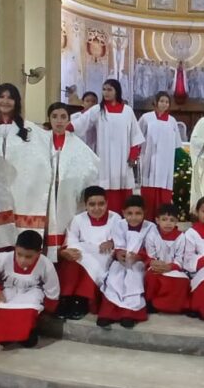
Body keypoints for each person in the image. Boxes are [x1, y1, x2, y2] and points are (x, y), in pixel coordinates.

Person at [0, 83, 51, 254]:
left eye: (10, 97)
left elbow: (42, 162)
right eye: (1, 96)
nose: (5, 101)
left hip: (24, 196)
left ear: (17, 102)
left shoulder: (32, 131)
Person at [71, 79, 143, 213]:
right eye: (104, 89)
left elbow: (135, 135)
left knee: (123, 191)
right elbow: (82, 122)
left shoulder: (127, 111)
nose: (106, 92)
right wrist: (67, 126)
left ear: (117, 91)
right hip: (105, 158)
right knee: (105, 188)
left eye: (109, 89)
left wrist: (133, 156)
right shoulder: (98, 109)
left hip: (123, 159)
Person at [0, 230, 59, 349]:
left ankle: (27, 334)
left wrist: (48, 309)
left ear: (39, 253)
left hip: (32, 291)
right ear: (15, 248)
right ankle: (4, 335)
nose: (23, 260)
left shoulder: (45, 263)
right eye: (19, 254)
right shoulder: (3, 258)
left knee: (29, 307)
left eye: (28, 256)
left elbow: (52, 287)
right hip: (8, 289)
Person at [44, 103, 100, 261]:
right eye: (54, 117)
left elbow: (91, 168)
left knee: (66, 226)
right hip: (45, 197)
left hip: (68, 197)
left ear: (69, 119)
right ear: (49, 119)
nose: (59, 121)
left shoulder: (79, 146)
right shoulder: (40, 141)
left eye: (63, 117)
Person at [56, 185, 120, 320]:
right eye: (92, 204)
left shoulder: (115, 218)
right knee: (72, 260)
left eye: (101, 204)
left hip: (103, 254)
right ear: (85, 205)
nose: (97, 208)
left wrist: (112, 242)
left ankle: (81, 300)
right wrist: (69, 251)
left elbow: (122, 239)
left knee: (93, 264)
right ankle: (65, 299)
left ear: (107, 203)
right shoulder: (78, 219)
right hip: (83, 250)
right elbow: (71, 239)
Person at [99, 195, 153, 328]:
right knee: (114, 279)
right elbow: (118, 245)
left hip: (139, 262)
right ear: (123, 213)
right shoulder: (119, 225)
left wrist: (139, 257)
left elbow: (151, 249)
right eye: (129, 213)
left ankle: (129, 314)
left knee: (133, 280)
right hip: (121, 261)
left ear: (144, 213)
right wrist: (119, 254)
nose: (133, 217)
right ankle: (108, 314)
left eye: (138, 213)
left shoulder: (150, 227)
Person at [138, 92, 182, 220]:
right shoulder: (146, 118)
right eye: (162, 101)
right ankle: (148, 220)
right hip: (149, 159)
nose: (164, 104)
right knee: (149, 192)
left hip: (166, 162)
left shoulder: (172, 121)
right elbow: (137, 136)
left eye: (167, 102)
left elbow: (177, 143)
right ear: (156, 102)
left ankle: (163, 220)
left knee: (164, 192)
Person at [144, 203, 190, 314]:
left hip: (173, 268)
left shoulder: (181, 237)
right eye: (164, 219)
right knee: (151, 277)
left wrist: (169, 266)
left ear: (176, 222)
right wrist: (155, 263)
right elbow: (150, 255)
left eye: (172, 220)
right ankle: (151, 303)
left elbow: (179, 259)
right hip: (156, 267)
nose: (168, 223)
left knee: (183, 282)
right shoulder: (152, 235)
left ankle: (174, 306)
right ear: (157, 220)